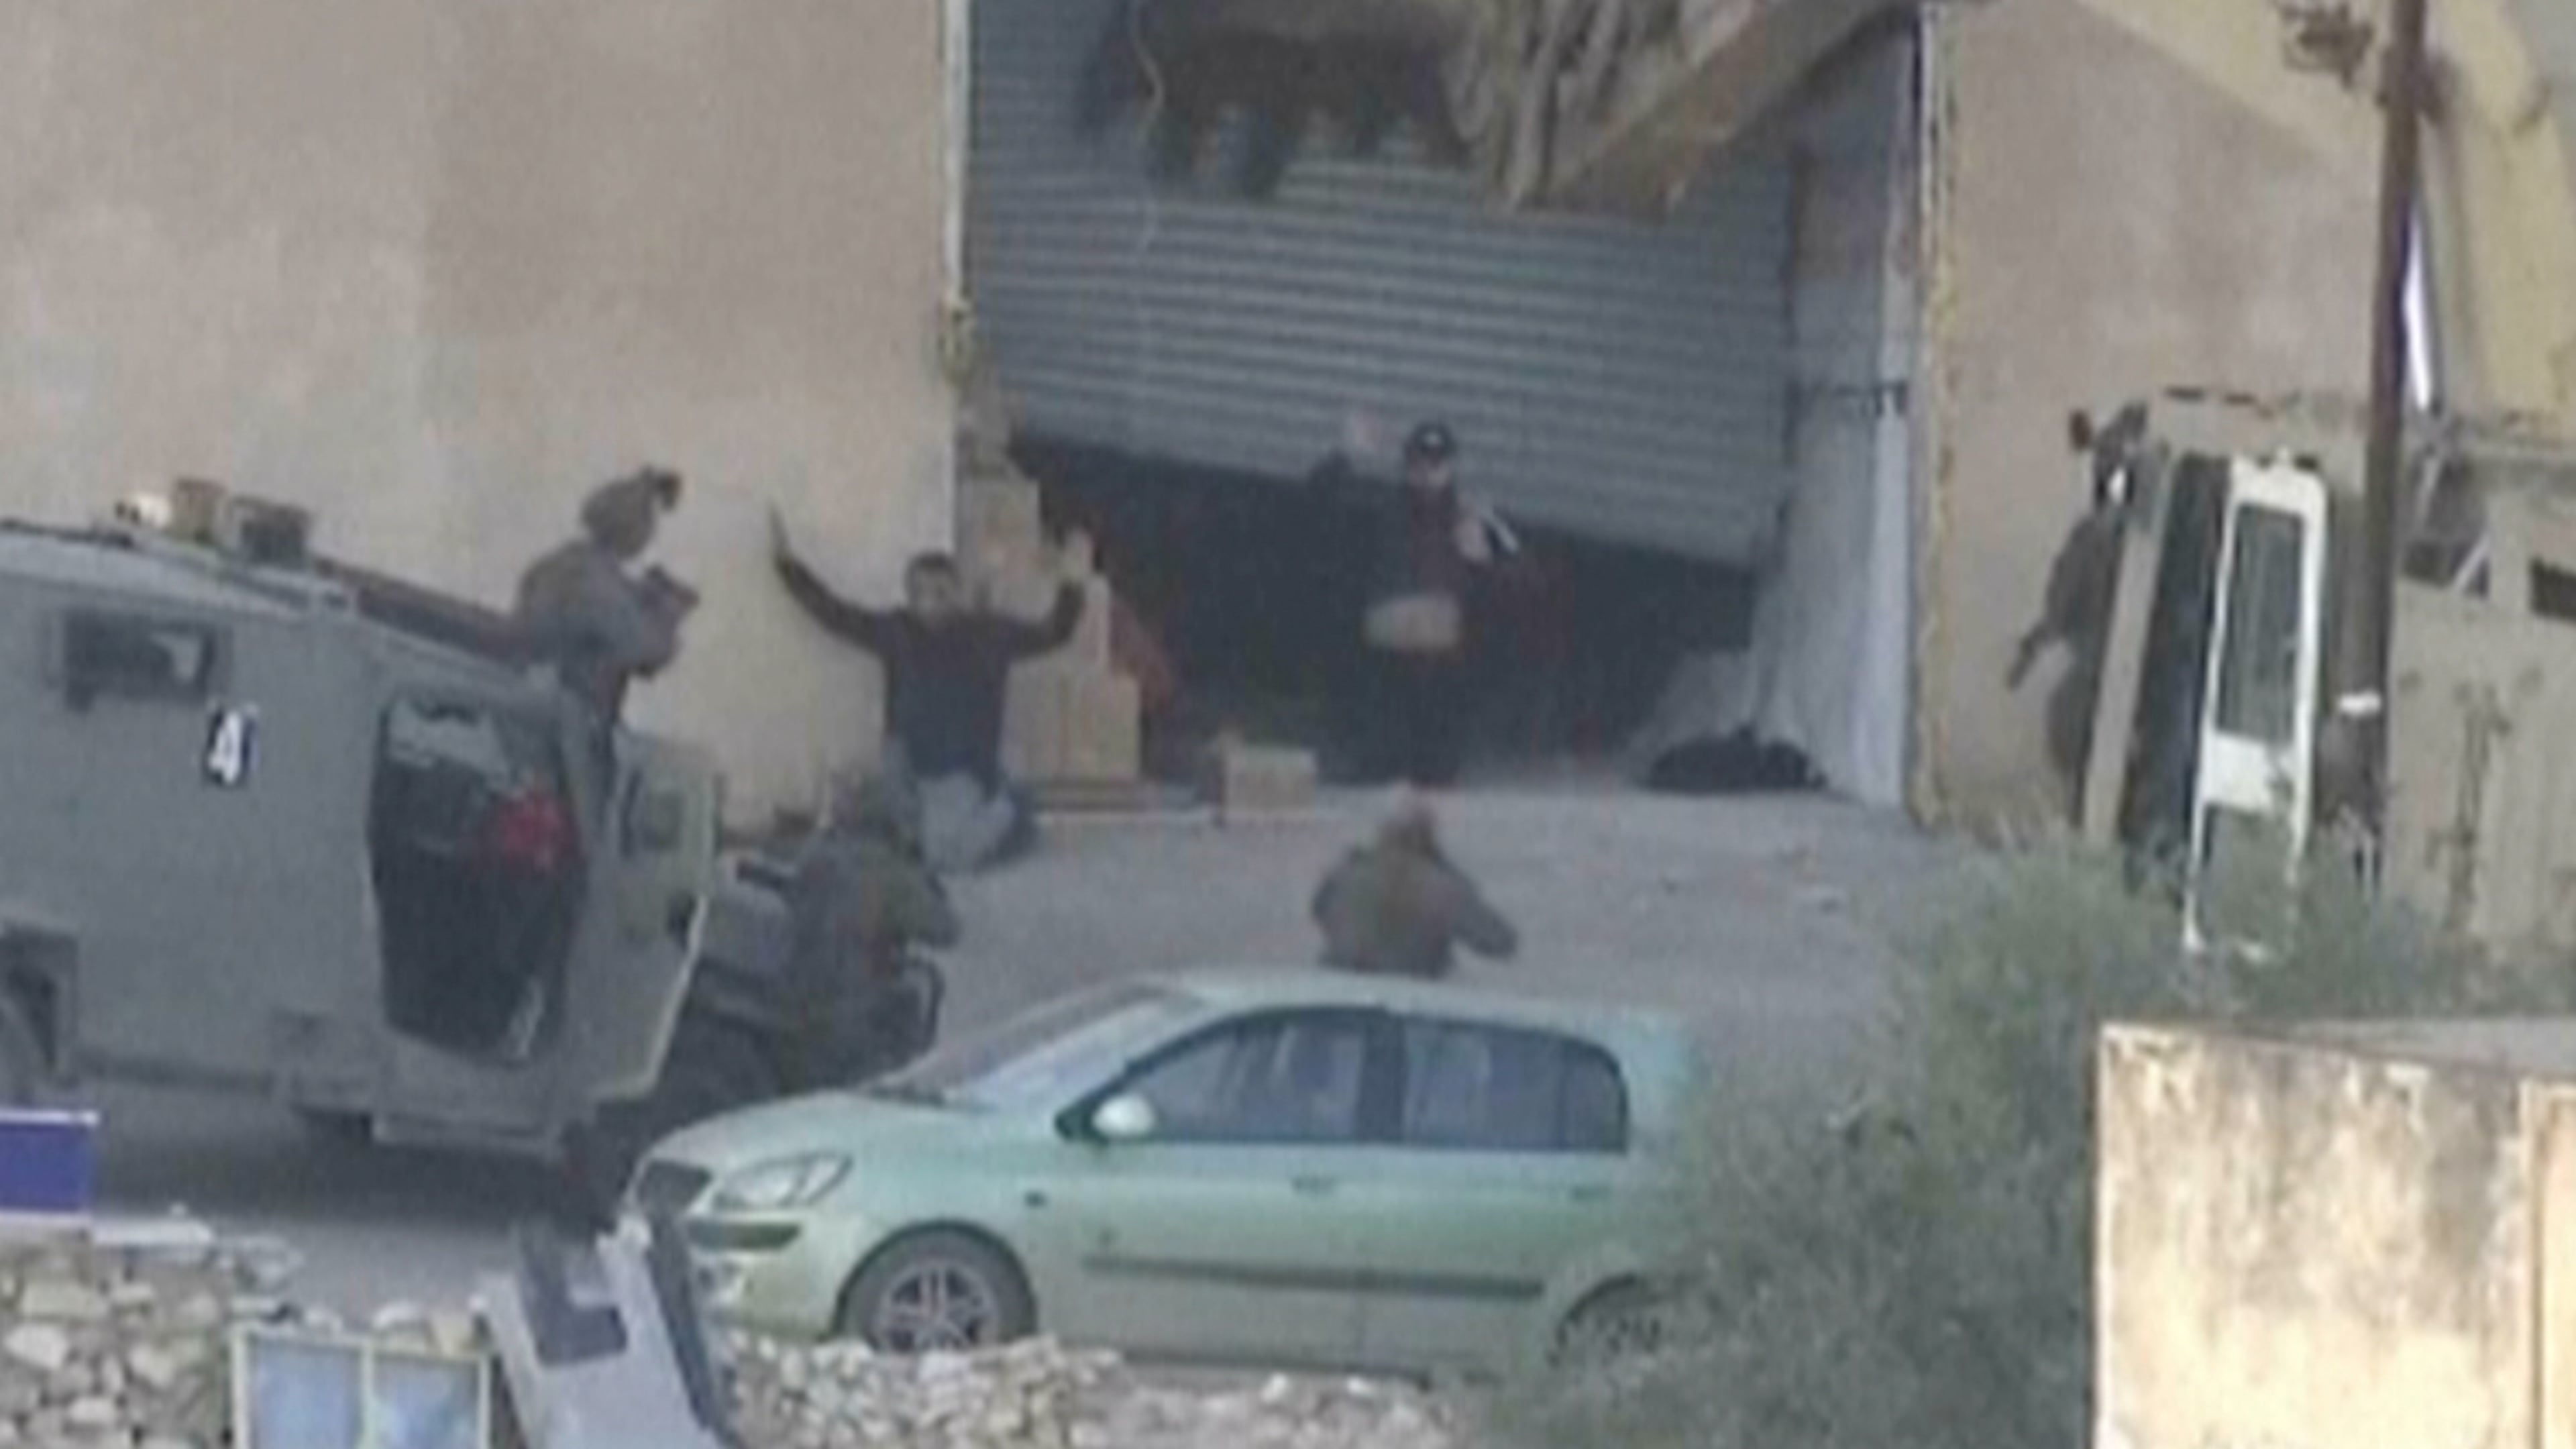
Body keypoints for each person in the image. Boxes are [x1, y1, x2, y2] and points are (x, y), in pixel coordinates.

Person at [770, 509, 1084, 873]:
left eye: (940, 593)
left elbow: (1053, 634)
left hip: (960, 774)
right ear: (909, 594)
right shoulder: (897, 631)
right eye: (920, 593)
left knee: (942, 859)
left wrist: (1072, 586)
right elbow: (837, 615)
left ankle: (1011, 809)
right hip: (905, 766)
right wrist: (788, 566)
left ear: (957, 593)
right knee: (869, 837)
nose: (930, 603)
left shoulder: (989, 634)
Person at [1318, 421, 1519, 787]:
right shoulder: (1383, 507)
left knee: (1437, 771)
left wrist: (1486, 561)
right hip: (1388, 656)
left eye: (1436, 465)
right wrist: (1347, 454)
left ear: (1451, 468)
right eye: (1419, 465)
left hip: (1444, 661)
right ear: (1406, 467)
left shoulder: (1470, 515)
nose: (1428, 475)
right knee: (1378, 767)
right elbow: (1325, 495)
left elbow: (1517, 574)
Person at [784, 765, 961, 1087]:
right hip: (860, 1015)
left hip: (798, 1007)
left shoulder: (816, 855)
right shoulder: (889, 873)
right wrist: (920, 865)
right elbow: (945, 928)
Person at [515, 467, 698, 737]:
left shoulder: (559, 563)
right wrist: (667, 614)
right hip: (567, 716)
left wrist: (643, 596)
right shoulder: (597, 585)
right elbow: (645, 651)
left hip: (538, 693)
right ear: (636, 531)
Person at [1311, 800, 1519, 980]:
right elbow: (1501, 942)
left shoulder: (1345, 875)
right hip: (1412, 995)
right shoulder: (1442, 888)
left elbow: (1318, 910)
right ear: (1430, 839)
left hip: (1340, 989)